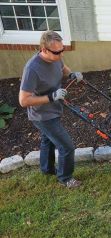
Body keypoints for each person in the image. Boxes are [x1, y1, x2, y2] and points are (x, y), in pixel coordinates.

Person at [19, 30, 83, 188]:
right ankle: (65, 178)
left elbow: (62, 67)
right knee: (66, 146)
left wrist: (72, 75)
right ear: (44, 50)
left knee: (48, 140)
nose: (61, 55)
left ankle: (47, 169)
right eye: (57, 52)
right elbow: (23, 100)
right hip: (42, 115)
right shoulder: (32, 69)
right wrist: (51, 97)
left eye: (62, 50)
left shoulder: (56, 57)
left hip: (54, 109)